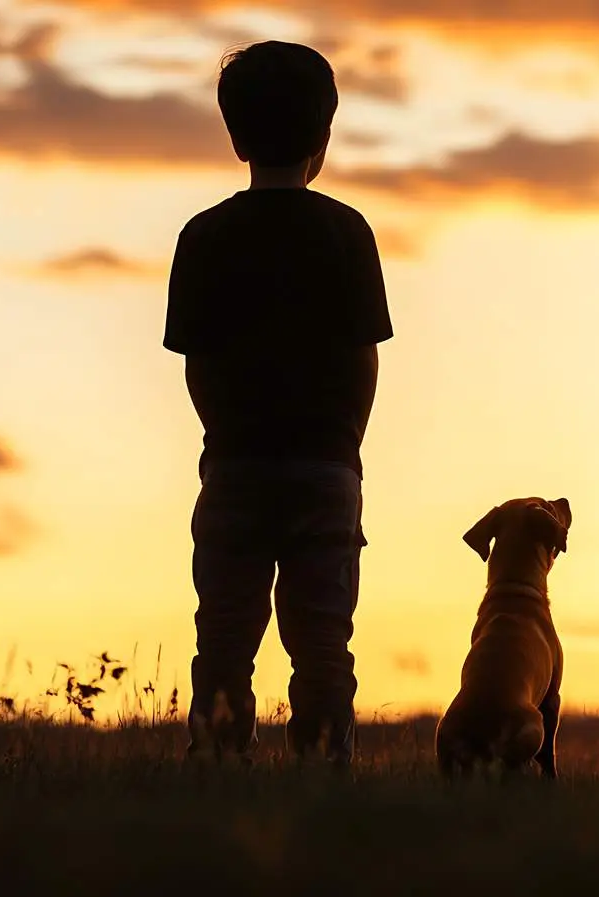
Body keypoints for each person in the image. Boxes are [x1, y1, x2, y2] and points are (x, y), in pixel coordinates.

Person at [163, 40, 393, 768]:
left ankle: (218, 767)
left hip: (234, 466)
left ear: (235, 136)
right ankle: (325, 772)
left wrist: (226, 433)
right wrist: (344, 448)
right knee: (324, 640)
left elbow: (198, 364)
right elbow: (364, 359)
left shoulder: (203, 237)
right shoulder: (347, 232)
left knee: (224, 637)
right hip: (327, 467)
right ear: (324, 136)